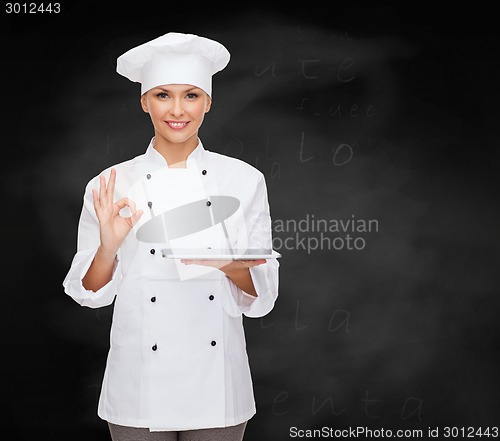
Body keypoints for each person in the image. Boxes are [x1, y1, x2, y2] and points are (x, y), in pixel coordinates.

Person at [63, 32, 280, 441]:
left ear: (208, 103)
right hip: (139, 379)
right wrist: (109, 248)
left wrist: (228, 265)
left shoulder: (245, 180)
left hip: (216, 381)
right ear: (144, 101)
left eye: (191, 96)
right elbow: (90, 292)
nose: (177, 110)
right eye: (163, 95)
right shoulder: (110, 183)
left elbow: (262, 295)